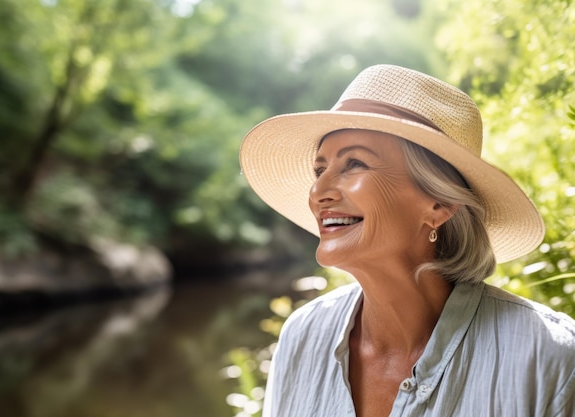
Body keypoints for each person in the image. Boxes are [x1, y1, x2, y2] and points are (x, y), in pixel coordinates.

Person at [239, 64, 575, 417]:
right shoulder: (302, 337)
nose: (317, 192)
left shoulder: (548, 358)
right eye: (320, 170)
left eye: (354, 163)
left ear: (439, 204)